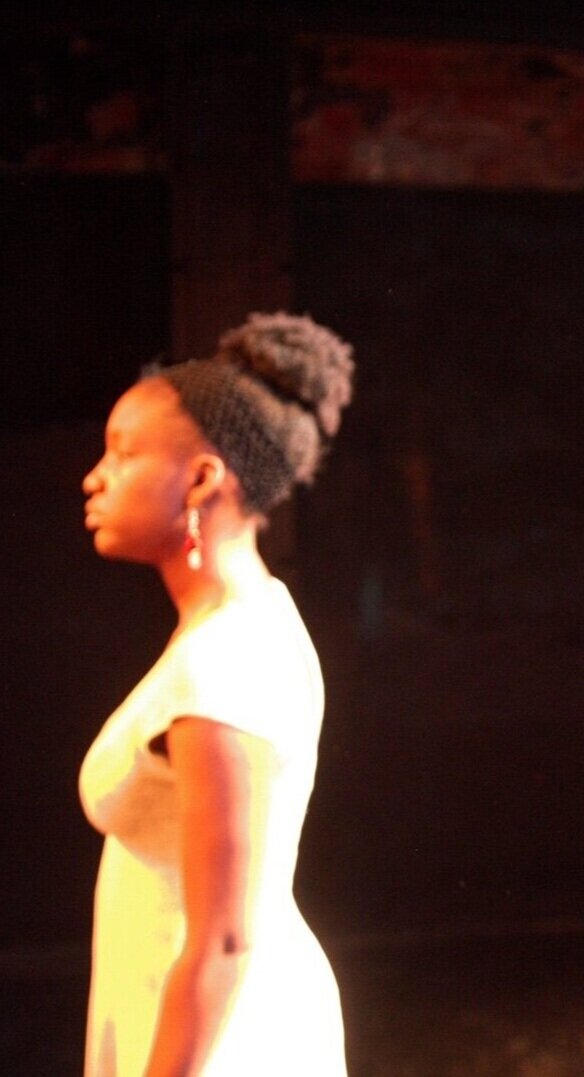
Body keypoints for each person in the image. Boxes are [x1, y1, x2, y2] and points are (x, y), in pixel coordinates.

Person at [79, 312, 354, 1076]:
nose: (95, 476)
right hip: (188, 1009)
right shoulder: (233, 627)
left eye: (123, 452)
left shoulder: (227, 661)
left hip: (220, 1041)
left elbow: (225, 939)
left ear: (202, 478)